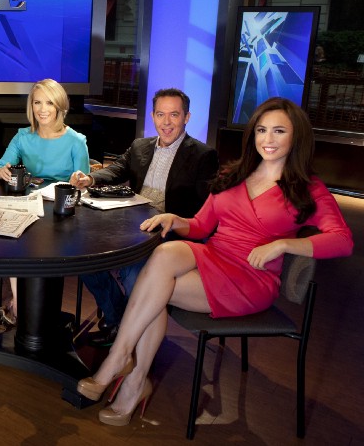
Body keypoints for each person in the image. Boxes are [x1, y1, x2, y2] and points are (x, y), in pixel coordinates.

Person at [76, 97, 353, 427]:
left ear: (296, 136)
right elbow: (201, 226)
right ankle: (125, 363)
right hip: (215, 253)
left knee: (153, 289)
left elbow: (342, 241)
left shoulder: (307, 187)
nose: (268, 139)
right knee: (163, 255)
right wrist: (174, 219)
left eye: (279, 131)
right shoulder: (235, 174)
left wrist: (283, 245)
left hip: (250, 276)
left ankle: (128, 373)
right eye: (261, 130)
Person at [69, 88, 219, 345]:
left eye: (174, 115)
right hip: (133, 224)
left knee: (133, 269)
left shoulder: (203, 155)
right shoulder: (140, 146)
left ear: (186, 117)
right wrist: (90, 178)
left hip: (171, 232)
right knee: (84, 259)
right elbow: (117, 169)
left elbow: (205, 211)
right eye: (160, 114)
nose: (166, 122)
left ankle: (132, 338)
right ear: (153, 116)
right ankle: (119, 321)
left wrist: (174, 220)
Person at [0, 78, 90, 326]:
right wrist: (2, 172)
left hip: (60, 214)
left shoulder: (76, 141)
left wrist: (79, 180)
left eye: (49, 103)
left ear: (60, 107)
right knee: (13, 234)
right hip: (30, 208)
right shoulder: (23, 137)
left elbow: (83, 184)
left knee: (32, 239)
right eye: (37, 102)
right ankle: (19, 303)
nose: (42, 109)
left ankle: (25, 308)